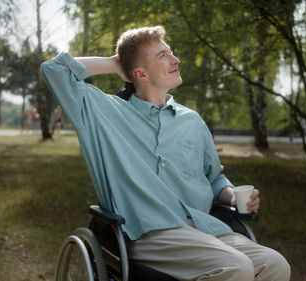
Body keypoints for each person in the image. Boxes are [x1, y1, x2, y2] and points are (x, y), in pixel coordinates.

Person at [41, 26, 290, 281]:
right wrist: (117, 63)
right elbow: (54, 70)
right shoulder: (105, 113)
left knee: (275, 264)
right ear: (140, 73)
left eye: (170, 52)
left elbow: (214, 178)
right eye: (163, 56)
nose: (176, 60)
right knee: (236, 267)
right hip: (151, 234)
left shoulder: (192, 121)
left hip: (206, 229)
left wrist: (232, 196)